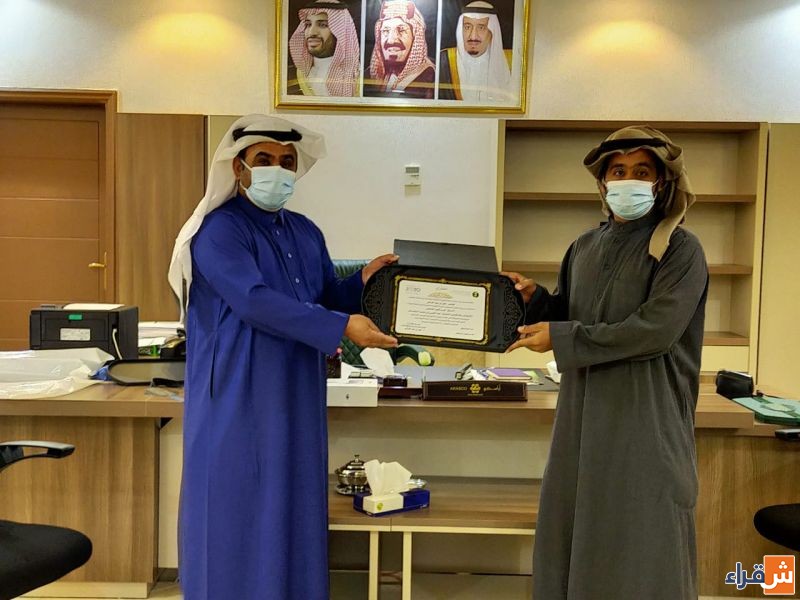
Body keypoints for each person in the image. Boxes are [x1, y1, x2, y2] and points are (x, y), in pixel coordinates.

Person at [167, 115, 398, 600]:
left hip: (295, 391)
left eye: (287, 161)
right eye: (265, 159)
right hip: (236, 396)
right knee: (234, 509)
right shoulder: (218, 231)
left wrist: (362, 281)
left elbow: (323, 294)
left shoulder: (306, 232)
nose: (278, 169)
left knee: (292, 505)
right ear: (239, 168)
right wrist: (341, 326)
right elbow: (254, 301)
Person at [504, 126, 709, 600]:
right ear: (602, 182)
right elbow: (573, 313)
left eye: (642, 171)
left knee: (640, 540)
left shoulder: (681, 249)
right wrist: (536, 302)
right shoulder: (583, 246)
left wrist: (560, 337)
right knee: (574, 529)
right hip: (580, 422)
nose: (628, 180)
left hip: (645, 422)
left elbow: (654, 330)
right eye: (618, 171)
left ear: (661, 181)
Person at [438, 0, 513, 103]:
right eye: (467, 27)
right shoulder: (445, 61)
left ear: (492, 32)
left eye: (481, 28)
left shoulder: (511, 62)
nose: (473, 36)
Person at [287, 0, 361, 96]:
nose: (311, 32)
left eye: (323, 25)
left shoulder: (357, 75)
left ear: (341, 32)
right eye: (308, 25)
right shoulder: (296, 74)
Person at [364, 0, 435, 99]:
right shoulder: (368, 76)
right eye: (385, 31)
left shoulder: (430, 77)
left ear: (415, 37)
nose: (391, 40)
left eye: (401, 30)